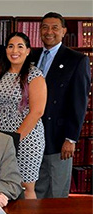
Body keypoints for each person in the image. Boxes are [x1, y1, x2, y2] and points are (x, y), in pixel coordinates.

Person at [33, 12, 91, 198]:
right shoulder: (31, 56)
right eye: (45, 27)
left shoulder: (77, 60)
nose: (49, 32)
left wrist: (71, 139)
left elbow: (79, 102)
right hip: (32, 137)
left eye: (55, 27)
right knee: (35, 191)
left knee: (57, 193)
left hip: (58, 138)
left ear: (64, 31)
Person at [0, 32, 47, 199]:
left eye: (20, 46)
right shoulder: (0, 72)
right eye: (11, 46)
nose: (15, 50)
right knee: (2, 185)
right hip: (0, 139)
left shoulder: (35, 75)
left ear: (28, 51)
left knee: (26, 185)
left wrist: (15, 138)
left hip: (26, 139)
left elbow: (37, 111)